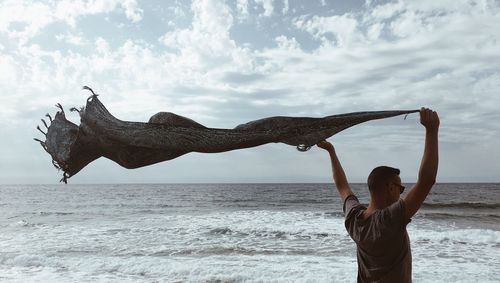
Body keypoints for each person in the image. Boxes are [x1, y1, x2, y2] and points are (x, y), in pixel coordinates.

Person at [316, 107, 439, 282]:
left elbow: (342, 186)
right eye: (400, 188)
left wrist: (331, 151)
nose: (401, 192)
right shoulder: (389, 220)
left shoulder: (354, 219)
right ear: (390, 187)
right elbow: (426, 181)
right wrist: (432, 130)